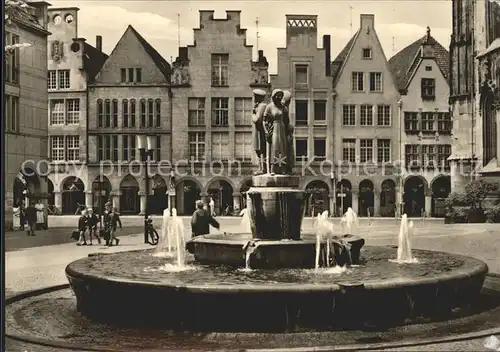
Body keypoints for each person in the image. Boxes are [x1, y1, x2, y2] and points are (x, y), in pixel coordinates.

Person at [263, 89, 288, 174]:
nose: (280, 97)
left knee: (283, 148)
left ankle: (283, 168)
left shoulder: (284, 107)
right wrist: (266, 131)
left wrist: (289, 133)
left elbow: (287, 120)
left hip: (282, 128)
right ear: (274, 96)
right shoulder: (269, 106)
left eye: (281, 95)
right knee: (275, 147)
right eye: (278, 95)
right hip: (274, 127)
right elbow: (264, 120)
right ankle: (273, 168)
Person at [251, 88, 268, 174]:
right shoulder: (258, 106)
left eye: (254, 96)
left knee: (261, 149)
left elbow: (257, 119)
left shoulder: (262, 106)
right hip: (257, 130)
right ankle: (260, 168)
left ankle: (263, 169)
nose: (253, 98)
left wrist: (253, 114)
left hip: (260, 131)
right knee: (258, 150)